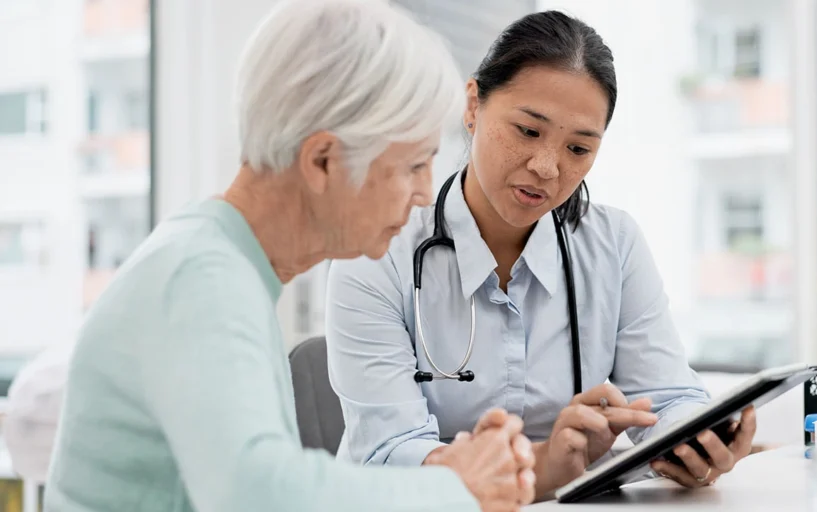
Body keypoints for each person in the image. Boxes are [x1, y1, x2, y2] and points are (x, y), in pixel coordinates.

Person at [41, 1, 536, 511]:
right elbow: (259, 492)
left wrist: (446, 473)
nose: (423, 193)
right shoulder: (201, 279)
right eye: (412, 165)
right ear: (323, 161)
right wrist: (454, 490)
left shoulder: (218, 264)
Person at [325, 9, 758, 501]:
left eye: (578, 149)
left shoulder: (613, 244)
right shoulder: (379, 251)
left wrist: (695, 439)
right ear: (473, 106)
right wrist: (547, 464)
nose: (547, 168)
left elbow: (669, 397)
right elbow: (390, 454)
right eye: (528, 131)